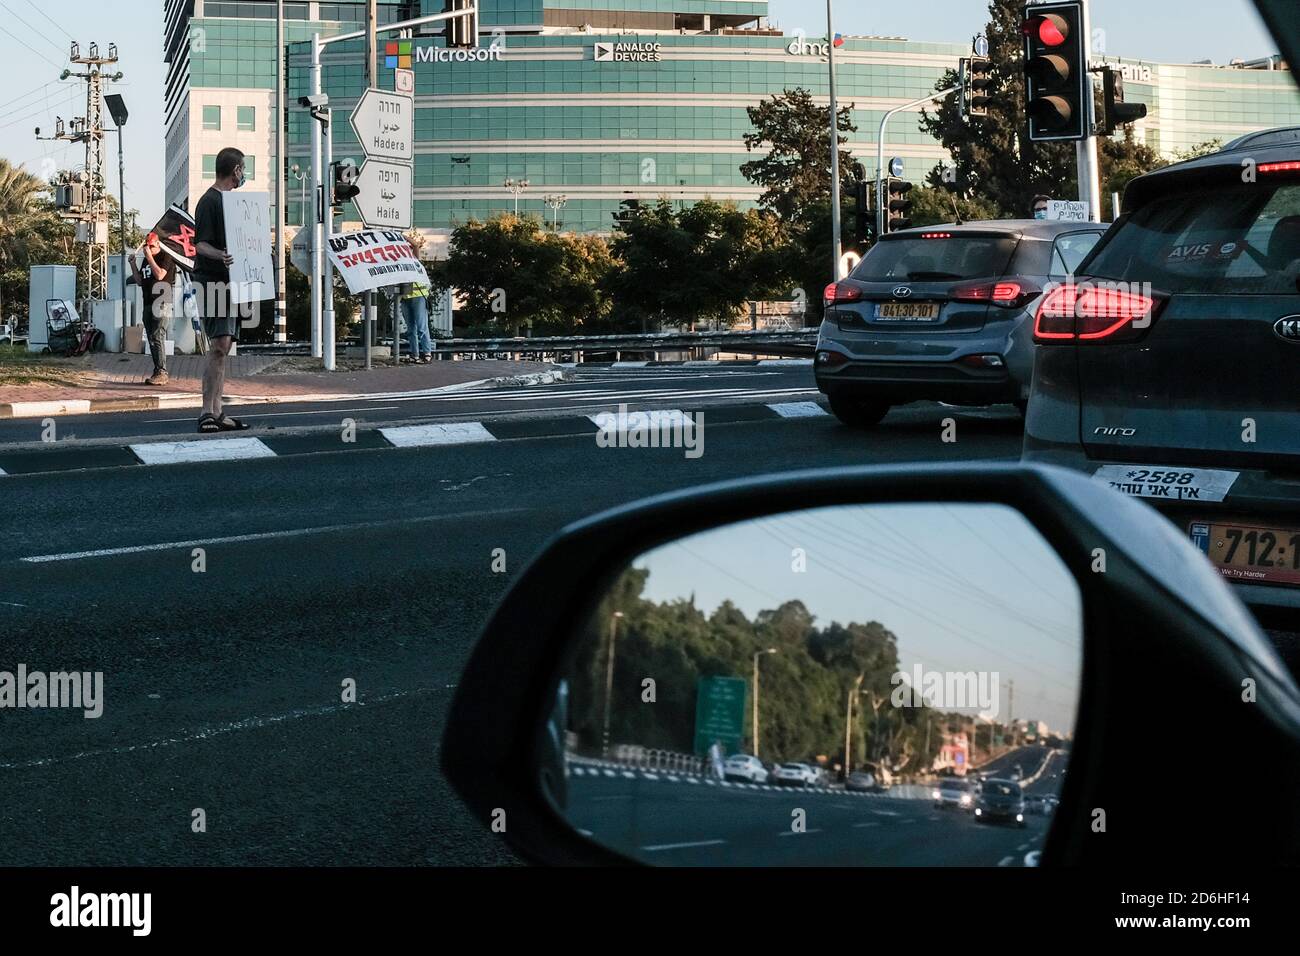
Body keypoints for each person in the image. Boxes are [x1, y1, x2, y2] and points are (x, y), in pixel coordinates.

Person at [192, 147, 251, 433]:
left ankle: (217, 410)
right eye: (243, 169)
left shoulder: (233, 205)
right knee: (218, 345)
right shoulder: (209, 201)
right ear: (236, 170)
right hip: (212, 281)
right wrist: (221, 256)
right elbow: (200, 244)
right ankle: (207, 411)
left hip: (231, 282)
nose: (244, 174)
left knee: (225, 345)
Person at [127, 232, 173, 386]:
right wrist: (133, 264)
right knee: (152, 338)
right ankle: (157, 369)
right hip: (147, 302)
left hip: (161, 301)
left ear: (158, 244)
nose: (149, 249)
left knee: (158, 335)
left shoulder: (164, 257)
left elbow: (160, 275)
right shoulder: (146, 261)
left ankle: (162, 371)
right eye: (147, 246)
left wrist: (149, 257)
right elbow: (140, 281)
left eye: (152, 246)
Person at [401, 280, 433, 364]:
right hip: (404, 297)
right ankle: (415, 355)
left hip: (418, 295)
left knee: (421, 327)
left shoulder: (415, 267)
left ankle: (427, 354)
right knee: (411, 329)